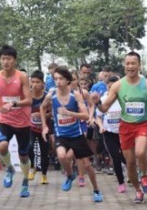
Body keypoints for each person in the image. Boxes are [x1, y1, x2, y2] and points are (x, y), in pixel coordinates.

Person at [98, 51, 147, 204]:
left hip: (143, 124)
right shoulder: (118, 85)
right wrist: (95, 102)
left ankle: (144, 175)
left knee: (140, 151)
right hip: (125, 127)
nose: (130, 66)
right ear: (124, 66)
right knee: (129, 163)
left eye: (133, 63)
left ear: (139, 65)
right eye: (127, 63)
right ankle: (138, 190)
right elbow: (104, 108)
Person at [40, 66, 103, 202]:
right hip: (61, 134)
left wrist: (70, 113)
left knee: (87, 165)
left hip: (76, 135)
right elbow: (42, 107)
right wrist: (44, 126)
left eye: (61, 79)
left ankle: (96, 190)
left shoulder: (76, 95)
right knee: (61, 156)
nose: (58, 81)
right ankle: (70, 175)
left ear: (68, 80)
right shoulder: (52, 95)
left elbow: (86, 116)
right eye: (55, 79)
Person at [0, 45, 33, 198]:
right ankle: (10, 168)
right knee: (2, 145)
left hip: (23, 121)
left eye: (9, 59)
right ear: (0, 60)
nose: (6, 62)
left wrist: (13, 104)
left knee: (23, 155)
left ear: (14, 61)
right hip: (5, 119)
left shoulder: (21, 77)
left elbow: (29, 100)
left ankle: (25, 182)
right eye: (3, 58)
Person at [95, 75, 127, 193]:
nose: (112, 88)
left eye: (114, 86)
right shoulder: (103, 100)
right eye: (109, 86)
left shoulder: (123, 98)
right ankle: (121, 182)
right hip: (108, 133)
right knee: (116, 158)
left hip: (123, 132)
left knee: (126, 157)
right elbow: (98, 116)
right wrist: (101, 126)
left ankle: (134, 173)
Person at [28, 70, 50, 184]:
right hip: (30, 127)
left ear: (43, 83)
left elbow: (52, 112)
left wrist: (42, 115)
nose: (35, 84)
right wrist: (29, 115)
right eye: (33, 82)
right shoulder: (27, 95)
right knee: (30, 146)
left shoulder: (47, 96)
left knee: (44, 152)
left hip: (44, 128)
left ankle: (44, 175)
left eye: (37, 82)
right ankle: (32, 167)